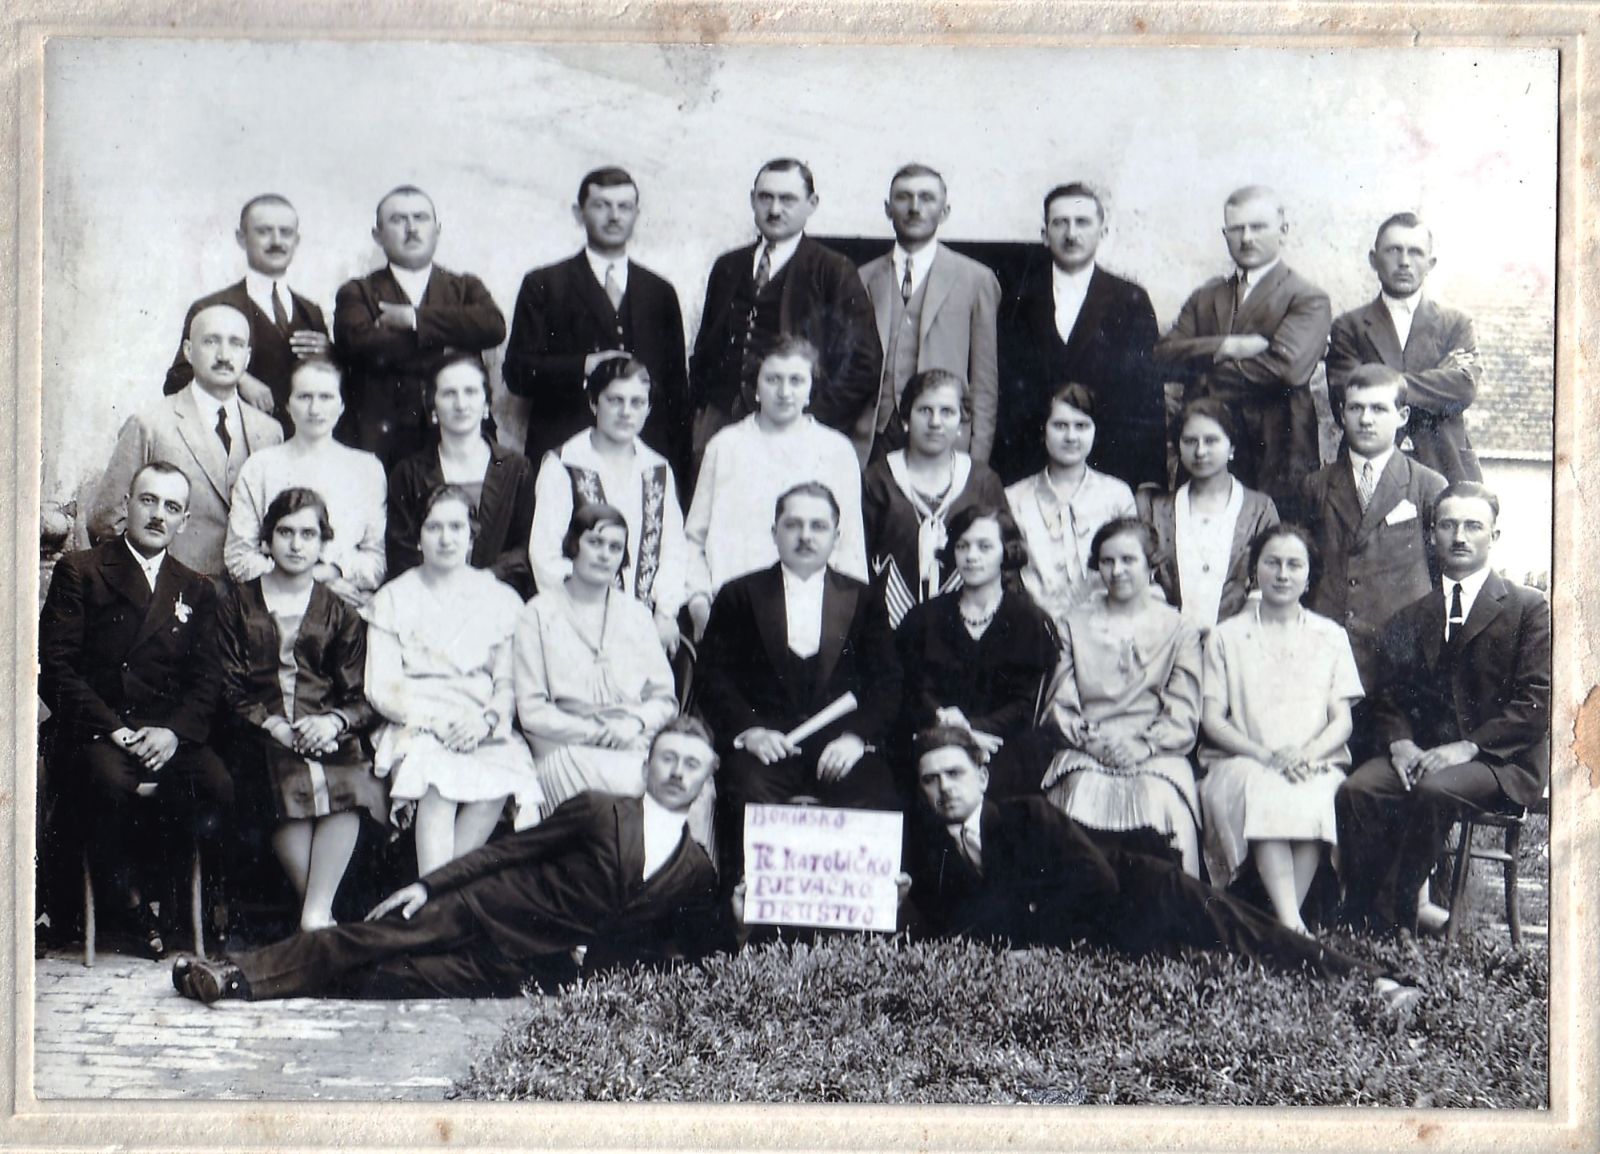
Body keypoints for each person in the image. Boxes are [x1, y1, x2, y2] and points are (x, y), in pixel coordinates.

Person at [170, 717, 722, 1002]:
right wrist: (431, 886)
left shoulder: (695, 870)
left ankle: (237, 975)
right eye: (668, 758)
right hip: (483, 908)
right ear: (646, 766)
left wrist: (736, 918)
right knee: (368, 940)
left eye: (691, 765)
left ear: (705, 780)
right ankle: (233, 976)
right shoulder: (602, 809)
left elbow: (675, 944)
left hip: (524, 967)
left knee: (387, 979)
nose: (677, 772)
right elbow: (509, 850)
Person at [904, 727, 1419, 1005]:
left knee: (1248, 936)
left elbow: (1095, 882)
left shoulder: (1026, 816)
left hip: (1145, 890)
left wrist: (1035, 943)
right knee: (1223, 960)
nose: (944, 788)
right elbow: (955, 925)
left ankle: (1377, 981)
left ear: (982, 777)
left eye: (955, 773)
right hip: (1119, 939)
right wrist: (905, 903)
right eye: (931, 780)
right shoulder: (932, 853)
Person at [1336, 483, 1551, 937]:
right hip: (1425, 755)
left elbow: (1536, 702)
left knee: (1434, 790)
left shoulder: (1528, 608)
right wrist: (1400, 743)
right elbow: (1389, 695)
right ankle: (1361, 915)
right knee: (1359, 789)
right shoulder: (1413, 615)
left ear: (1494, 536)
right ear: (1432, 534)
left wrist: (1468, 747)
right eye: (1448, 525)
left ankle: (1397, 920)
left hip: (1500, 762)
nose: (1460, 536)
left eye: (1473, 526)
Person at [40, 463, 232, 957]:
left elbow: (208, 681)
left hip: (163, 733)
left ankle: (175, 902)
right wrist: (114, 730)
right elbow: (55, 668)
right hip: (96, 729)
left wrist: (173, 733)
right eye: (148, 500)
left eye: (172, 507)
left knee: (217, 785)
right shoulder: (81, 570)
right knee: (107, 782)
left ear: (184, 521)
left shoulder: (196, 588)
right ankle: (128, 902)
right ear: (126, 504)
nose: (158, 515)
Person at [696, 482, 903, 878]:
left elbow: (887, 682)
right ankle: (749, 908)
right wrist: (750, 732)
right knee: (746, 792)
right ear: (774, 532)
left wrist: (855, 738)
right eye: (793, 525)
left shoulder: (864, 598)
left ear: (836, 537)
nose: (805, 536)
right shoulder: (739, 595)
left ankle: (850, 910)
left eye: (818, 526)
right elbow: (713, 676)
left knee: (876, 792)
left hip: (839, 750)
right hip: (766, 752)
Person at [216, 488, 385, 931]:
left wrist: (332, 722)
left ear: (323, 542)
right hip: (259, 733)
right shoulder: (237, 603)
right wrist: (273, 725)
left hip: (325, 734)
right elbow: (227, 686)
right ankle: (319, 915)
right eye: (285, 532)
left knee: (349, 776)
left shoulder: (340, 611)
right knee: (281, 774)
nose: (295, 544)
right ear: (266, 540)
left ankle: (314, 914)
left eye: (308, 534)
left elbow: (361, 696)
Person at [362, 485, 541, 876]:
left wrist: (487, 720)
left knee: (499, 781)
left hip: (480, 725)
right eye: (434, 527)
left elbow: (508, 681)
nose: (446, 538)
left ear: (472, 535)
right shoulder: (394, 598)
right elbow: (381, 687)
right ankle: (440, 896)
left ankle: (437, 894)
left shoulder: (500, 599)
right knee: (437, 784)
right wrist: (435, 722)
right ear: (418, 537)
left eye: (456, 527)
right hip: (417, 723)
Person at [1197, 525, 1363, 933]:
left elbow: (1342, 720)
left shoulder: (1331, 636)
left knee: (1317, 794)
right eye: (1272, 563)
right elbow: (1212, 719)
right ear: (1255, 569)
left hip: (1313, 760)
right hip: (1242, 761)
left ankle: (1286, 924)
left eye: (1294, 565)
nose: (1283, 574)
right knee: (1267, 788)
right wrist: (1266, 756)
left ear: (1309, 575)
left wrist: (1305, 755)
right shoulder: (1226, 636)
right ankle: (1291, 927)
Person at [514, 503, 711, 838]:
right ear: (573, 545)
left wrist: (634, 724)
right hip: (568, 746)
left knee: (697, 788)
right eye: (595, 542)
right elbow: (532, 710)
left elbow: (664, 699)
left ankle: (669, 872)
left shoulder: (637, 615)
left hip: (632, 738)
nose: (605, 555)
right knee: (606, 796)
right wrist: (594, 731)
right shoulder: (537, 614)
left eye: (615, 547)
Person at [1153, 186, 1332, 519]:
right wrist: (1227, 346)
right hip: (1207, 448)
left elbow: (1287, 369)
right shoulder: (1206, 297)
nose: (1246, 238)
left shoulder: (1306, 298)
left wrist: (1202, 376)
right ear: (1226, 234)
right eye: (1236, 228)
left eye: (1258, 227)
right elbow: (1162, 358)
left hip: (1277, 450)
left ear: (1283, 230)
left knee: (1274, 538)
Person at [688, 158, 882, 466]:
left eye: (787, 199)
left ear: (812, 204)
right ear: (752, 200)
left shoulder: (833, 270)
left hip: (794, 430)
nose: (775, 210)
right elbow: (706, 348)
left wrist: (810, 420)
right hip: (721, 425)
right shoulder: (728, 266)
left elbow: (863, 365)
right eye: (765, 197)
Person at [502, 167, 691, 478]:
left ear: (636, 214)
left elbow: (677, 393)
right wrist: (583, 366)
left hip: (642, 458)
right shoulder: (544, 284)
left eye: (624, 207)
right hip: (566, 453)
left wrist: (678, 473)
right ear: (579, 214)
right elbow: (517, 373)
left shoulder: (660, 292)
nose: (614, 216)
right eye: (602, 205)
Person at [1040, 517, 1203, 877]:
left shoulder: (1179, 629)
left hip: (1157, 752)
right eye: (1107, 561)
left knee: (1155, 798)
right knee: (1081, 794)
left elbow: (1184, 709)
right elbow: (1060, 703)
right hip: (1086, 748)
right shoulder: (1072, 624)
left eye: (1128, 560)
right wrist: (1093, 743)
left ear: (1151, 564)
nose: (1116, 571)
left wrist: (1144, 745)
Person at [683, 337, 867, 641]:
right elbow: (694, 539)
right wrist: (699, 602)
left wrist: (846, 621)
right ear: (755, 387)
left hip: (813, 618)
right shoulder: (725, 447)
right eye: (773, 379)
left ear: (811, 388)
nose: (784, 392)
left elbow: (851, 548)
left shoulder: (836, 451)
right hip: (734, 614)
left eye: (796, 380)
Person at [90, 303, 284, 576]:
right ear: (188, 351)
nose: (224, 355)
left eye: (236, 344)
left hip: (249, 595)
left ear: (248, 356)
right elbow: (106, 522)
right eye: (211, 341)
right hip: (173, 594)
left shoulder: (270, 432)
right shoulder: (150, 424)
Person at [997, 182, 1162, 487]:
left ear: (1103, 231)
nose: (1071, 234)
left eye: (1082, 222)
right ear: (1044, 234)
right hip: (1029, 467)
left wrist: (1149, 479)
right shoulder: (1016, 300)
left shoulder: (1130, 300)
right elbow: (1004, 390)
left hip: (1110, 465)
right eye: (1060, 223)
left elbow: (1147, 396)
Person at [333, 185, 506, 467]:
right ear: (377, 235)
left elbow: (493, 326)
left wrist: (414, 319)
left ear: (437, 230)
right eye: (398, 219)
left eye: (420, 218)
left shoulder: (466, 287)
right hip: (380, 445)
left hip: (460, 442)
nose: (412, 228)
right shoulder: (357, 291)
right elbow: (358, 345)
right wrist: (450, 342)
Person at [894, 505, 1058, 799]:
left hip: (1001, 748)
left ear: (1007, 552)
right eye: (962, 546)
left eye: (984, 547)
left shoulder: (1030, 620)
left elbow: (1027, 702)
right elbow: (910, 687)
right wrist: (946, 723)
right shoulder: (924, 617)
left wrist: (970, 729)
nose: (971, 556)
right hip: (932, 742)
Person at [1301, 364, 1446, 692]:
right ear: (1342, 414)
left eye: (1379, 409)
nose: (1366, 419)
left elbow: (1441, 574)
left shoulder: (1428, 486)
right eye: (1356, 408)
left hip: (1400, 660)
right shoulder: (1316, 486)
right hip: (1330, 654)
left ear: (1402, 415)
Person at [529, 358, 687, 653]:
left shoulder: (657, 468)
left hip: (647, 627)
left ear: (648, 408)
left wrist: (666, 612)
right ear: (593, 403)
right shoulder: (565, 464)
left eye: (637, 402)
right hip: (580, 625)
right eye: (615, 400)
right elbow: (544, 556)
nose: (626, 412)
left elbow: (674, 549)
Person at [854, 164, 1001, 464]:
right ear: (887, 209)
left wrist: (977, 460)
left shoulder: (976, 279)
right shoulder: (863, 278)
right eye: (903, 197)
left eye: (926, 198)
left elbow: (984, 382)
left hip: (944, 437)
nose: (914, 207)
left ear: (944, 211)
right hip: (875, 438)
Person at [1327, 212, 1483, 483]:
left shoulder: (1456, 324)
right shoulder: (1348, 327)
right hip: (1369, 471)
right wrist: (1437, 379)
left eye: (1415, 252)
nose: (1404, 262)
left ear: (1431, 263)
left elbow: (1463, 389)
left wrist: (1377, 383)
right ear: (1373, 259)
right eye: (1393, 250)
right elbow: (1347, 396)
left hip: (1445, 467)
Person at [162, 193, 332, 435]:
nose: (277, 241)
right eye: (264, 231)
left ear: (297, 240)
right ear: (241, 238)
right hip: (240, 442)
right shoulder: (211, 307)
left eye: (285, 232)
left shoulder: (310, 311)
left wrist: (331, 355)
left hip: (302, 445)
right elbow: (177, 380)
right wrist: (238, 378)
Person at [223, 358, 387, 606]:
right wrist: (315, 583)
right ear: (288, 405)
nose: (315, 409)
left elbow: (375, 562)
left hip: (344, 607)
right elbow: (238, 557)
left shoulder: (367, 469)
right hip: (273, 605)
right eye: (304, 397)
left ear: (341, 405)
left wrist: (336, 571)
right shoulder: (260, 467)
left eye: (326, 397)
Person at [862, 369, 1006, 628]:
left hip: (967, 627)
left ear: (962, 421)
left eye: (947, 412)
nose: (935, 422)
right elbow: (858, 561)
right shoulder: (878, 480)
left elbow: (1006, 564)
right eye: (925, 410)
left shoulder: (981, 481)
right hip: (887, 628)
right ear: (906, 418)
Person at [386, 353, 536, 599]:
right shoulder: (408, 473)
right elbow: (402, 554)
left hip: (495, 597)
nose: (461, 403)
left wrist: (484, 580)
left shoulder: (516, 469)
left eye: (471, 392)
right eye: (449, 393)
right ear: (432, 406)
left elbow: (524, 547)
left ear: (486, 403)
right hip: (428, 599)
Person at [1136, 397, 1280, 629]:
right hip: (1168, 639)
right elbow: (1145, 580)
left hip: (1237, 640)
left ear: (1231, 448)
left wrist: (1229, 636)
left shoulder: (1259, 508)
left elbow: (1265, 583)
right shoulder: (1156, 509)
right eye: (1190, 441)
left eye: (1211, 441)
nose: (1200, 451)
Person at [1003, 383, 1136, 631]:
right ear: (1043, 429)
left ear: (1095, 430)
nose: (1071, 437)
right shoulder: (1015, 498)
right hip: (1034, 631)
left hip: (1105, 630)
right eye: (1060, 425)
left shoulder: (1117, 495)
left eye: (1081, 426)